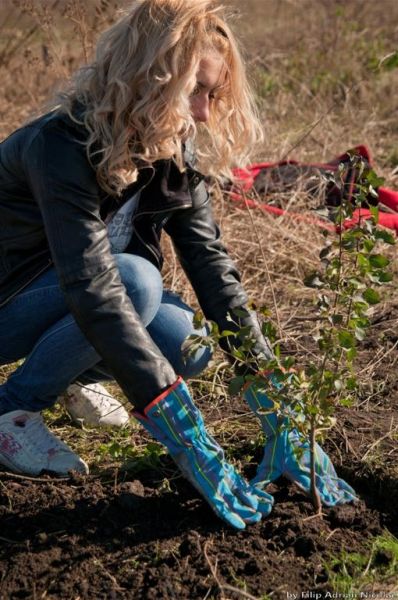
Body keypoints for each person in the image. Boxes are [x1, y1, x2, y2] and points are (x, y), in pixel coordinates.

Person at [0, 0, 356, 530]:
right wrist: (187, 434)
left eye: (213, 95)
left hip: (76, 300)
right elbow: (94, 287)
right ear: (149, 77)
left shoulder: (171, 152)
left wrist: (281, 411)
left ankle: (67, 374)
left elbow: (213, 271)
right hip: (10, 305)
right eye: (196, 90)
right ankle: (13, 408)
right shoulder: (59, 145)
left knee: (189, 340)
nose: (206, 113)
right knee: (136, 284)